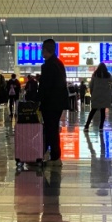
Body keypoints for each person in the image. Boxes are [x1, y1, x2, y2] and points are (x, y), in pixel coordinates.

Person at [38, 39, 68, 167]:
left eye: (42, 50)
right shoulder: (59, 63)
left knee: (51, 129)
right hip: (58, 102)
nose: (41, 52)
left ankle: (55, 157)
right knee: (52, 128)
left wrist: (38, 99)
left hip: (50, 103)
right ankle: (51, 155)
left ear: (46, 50)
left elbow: (45, 86)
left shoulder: (48, 66)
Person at [84, 63, 112, 131]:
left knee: (93, 110)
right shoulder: (108, 75)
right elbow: (111, 85)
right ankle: (101, 127)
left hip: (96, 95)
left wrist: (92, 93)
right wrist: (110, 93)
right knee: (103, 111)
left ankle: (86, 126)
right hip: (105, 95)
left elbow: (91, 85)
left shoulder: (95, 75)